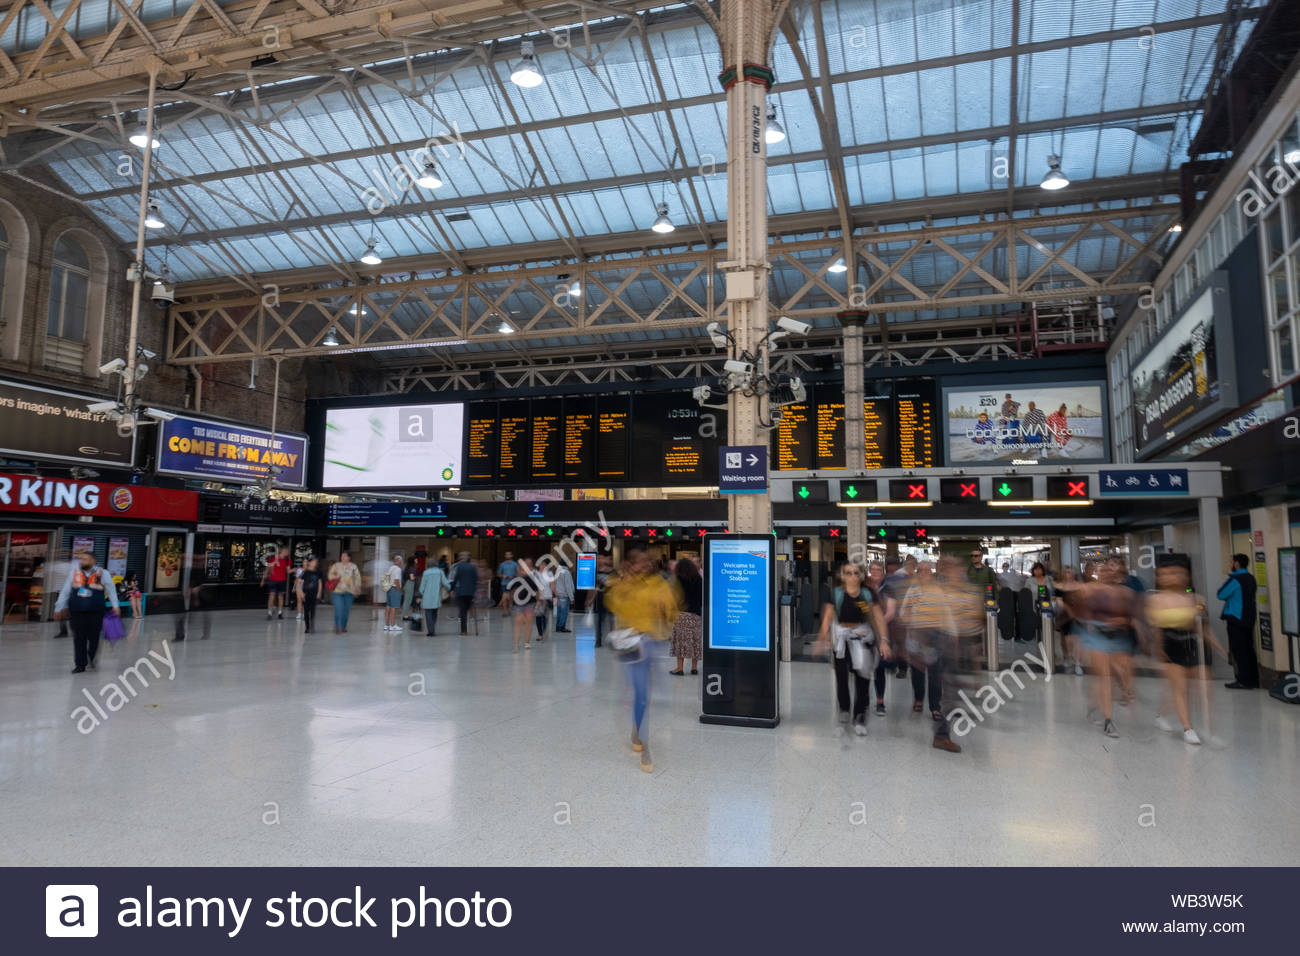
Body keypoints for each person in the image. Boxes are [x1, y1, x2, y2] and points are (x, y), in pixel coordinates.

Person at [603, 547, 680, 773]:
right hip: (631, 645)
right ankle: (645, 745)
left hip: (650, 643)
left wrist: (665, 612)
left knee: (646, 693)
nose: (642, 565)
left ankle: (638, 730)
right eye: (637, 561)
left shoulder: (658, 584)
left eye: (646, 561)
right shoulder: (621, 584)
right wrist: (624, 585)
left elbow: (671, 611)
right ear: (629, 563)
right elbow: (612, 603)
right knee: (640, 692)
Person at [899, 556, 983, 753]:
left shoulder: (940, 589)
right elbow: (905, 614)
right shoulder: (915, 590)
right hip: (922, 638)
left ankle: (938, 716)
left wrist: (953, 634)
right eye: (922, 570)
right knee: (932, 679)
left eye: (929, 570)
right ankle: (937, 725)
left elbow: (947, 613)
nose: (926, 573)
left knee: (940, 680)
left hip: (939, 640)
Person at [1064, 559, 1140, 738]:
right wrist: (1084, 622)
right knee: (1104, 677)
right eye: (1107, 570)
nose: (1111, 574)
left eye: (1116, 571)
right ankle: (1108, 720)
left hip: (1120, 638)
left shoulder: (1127, 593)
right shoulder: (1090, 589)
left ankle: (1093, 705)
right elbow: (1071, 600)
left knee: (1114, 676)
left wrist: (1128, 622)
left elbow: (1135, 615)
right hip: (1097, 636)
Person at [1150, 563, 1224, 745]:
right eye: (1165, 574)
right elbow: (1154, 630)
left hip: (1191, 644)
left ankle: (1209, 729)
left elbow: (1203, 627)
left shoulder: (1196, 599)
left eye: (1176, 573)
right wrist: (1157, 650)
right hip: (1170, 645)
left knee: (1204, 688)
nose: (1172, 577)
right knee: (1180, 688)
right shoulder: (1155, 600)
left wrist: (1220, 648)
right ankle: (1188, 728)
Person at [815, 561, 888, 736]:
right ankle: (844, 710)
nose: (852, 577)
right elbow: (828, 617)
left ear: (861, 576)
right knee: (841, 678)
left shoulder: (868, 594)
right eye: (848, 573)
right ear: (842, 575)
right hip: (842, 640)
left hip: (863, 639)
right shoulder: (836, 594)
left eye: (856, 573)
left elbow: (878, 618)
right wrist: (822, 637)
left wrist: (883, 640)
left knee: (862, 680)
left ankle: (860, 716)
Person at [53, 550, 120, 673]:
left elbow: (111, 590)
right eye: (81, 559)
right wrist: (58, 608)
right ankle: (80, 664)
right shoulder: (74, 573)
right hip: (77, 612)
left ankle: (91, 655)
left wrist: (116, 606)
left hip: (95, 612)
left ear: (93, 561)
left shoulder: (102, 573)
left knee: (94, 638)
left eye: (85, 559)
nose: (81, 561)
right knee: (79, 638)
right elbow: (65, 591)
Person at [879, 556, 918, 712]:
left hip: (900, 616)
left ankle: (900, 666)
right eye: (890, 565)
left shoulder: (904, 578)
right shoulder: (893, 579)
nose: (892, 567)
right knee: (894, 641)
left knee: (900, 642)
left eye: (894, 564)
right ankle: (894, 664)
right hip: (894, 616)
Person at [1217, 553, 1260, 689]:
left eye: (1231, 562)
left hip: (1236, 618)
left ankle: (1243, 680)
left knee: (1238, 650)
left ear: (1236, 564)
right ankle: (1254, 679)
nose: (1230, 564)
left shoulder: (1236, 579)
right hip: (1249, 618)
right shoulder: (1251, 578)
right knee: (1249, 648)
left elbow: (1221, 594)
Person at [668, 557, 702, 675]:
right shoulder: (699, 579)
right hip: (696, 614)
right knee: (695, 641)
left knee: (681, 642)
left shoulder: (679, 579)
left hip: (682, 614)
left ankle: (680, 668)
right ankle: (694, 668)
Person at [505, 557, 537, 652]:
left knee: (528, 622)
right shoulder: (516, 579)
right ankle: (516, 644)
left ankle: (527, 642)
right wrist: (510, 603)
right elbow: (509, 592)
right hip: (518, 605)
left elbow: (536, 591)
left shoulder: (532, 578)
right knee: (518, 623)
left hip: (530, 603)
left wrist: (540, 602)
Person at [327, 552, 362, 633]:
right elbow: (329, 576)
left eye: (345, 556)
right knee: (338, 608)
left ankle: (343, 626)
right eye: (342, 555)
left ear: (349, 557)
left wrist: (357, 587)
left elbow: (357, 578)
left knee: (346, 610)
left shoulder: (353, 566)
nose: (342, 557)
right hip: (337, 591)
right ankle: (337, 626)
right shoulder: (336, 565)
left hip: (349, 592)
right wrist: (335, 576)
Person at [449, 552, 478, 635]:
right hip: (470, 592)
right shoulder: (473, 567)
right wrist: (474, 589)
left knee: (463, 611)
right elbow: (475, 579)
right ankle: (473, 627)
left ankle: (464, 631)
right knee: (470, 607)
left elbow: (456, 578)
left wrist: (452, 589)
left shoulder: (459, 567)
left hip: (461, 592)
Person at [418, 559, 449, 635]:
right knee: (434, 613)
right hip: (436, 596)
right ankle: (432, 629)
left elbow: (422, 587)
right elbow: (446, 583)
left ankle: (430, 631)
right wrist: (449, 588)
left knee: (428, 613)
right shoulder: (440, 572)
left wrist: (421, 593)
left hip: (426, 596)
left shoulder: (426, 573)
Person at [262, 545, 291, 620]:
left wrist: (295, 570)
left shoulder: (288, 560)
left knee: (280, 597)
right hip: (273, 580)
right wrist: (263, 579)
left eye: (288, 552)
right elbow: (268, 568)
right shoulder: (274, 558)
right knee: (272, 596)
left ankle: (280, 613)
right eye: (286, 551)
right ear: (283, 551)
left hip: (282, 580)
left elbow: (288, 571)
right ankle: (269, 613)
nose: (288, 553)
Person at [299, 556, 323, 634]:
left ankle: (312, 625)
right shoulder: (305, 572)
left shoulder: (318, 572)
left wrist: (319, 592)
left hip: (314, 594)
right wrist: (301, 592)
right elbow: (299, 582)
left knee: (313, 611)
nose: (315, 563)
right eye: (313, 561)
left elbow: (320, 583)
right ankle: (307, 627)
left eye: (316, 561)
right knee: (306, 611)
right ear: (309, 562)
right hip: (306, 594)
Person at [382, 554, 405, 631]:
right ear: (398, 561)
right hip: (395, 589)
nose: (402, 562)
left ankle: (386, 625)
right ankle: (393, 625)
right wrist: (400, 590)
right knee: (393, 608)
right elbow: (396, 581)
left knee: (388, 607)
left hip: (389, 589)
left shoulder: (391, 568)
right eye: (401, 561)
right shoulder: (398, 569)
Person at [552, 562, 575, 633]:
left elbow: (554, 584)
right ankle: (561, 627)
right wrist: (571, 598)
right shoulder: (566, 572)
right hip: (564, 596)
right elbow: (568, 586)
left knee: (559, 612)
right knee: (564, 613)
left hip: (558, 595)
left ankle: (558, 627)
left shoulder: (557, 572)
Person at [497, 551, 518, 616]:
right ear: (505, 556)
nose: (507, 556)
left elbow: (518, 573)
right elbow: (498, 574)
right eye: (506, 555)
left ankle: (509, 611)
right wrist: (503, 576)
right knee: (505, 597)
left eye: (509, 554)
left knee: (511, 598)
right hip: (504, 583)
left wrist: (513, 576)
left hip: (513, 583)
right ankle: (505, 611)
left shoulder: (515, 564)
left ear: (512, 555)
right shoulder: (502, 564)